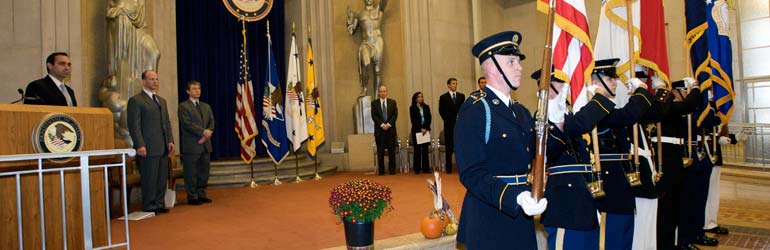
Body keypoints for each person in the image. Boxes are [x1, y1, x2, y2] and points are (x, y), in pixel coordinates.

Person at [455, 31, 547, 249]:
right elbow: (472, 173)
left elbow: (542, 153)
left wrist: (558, 119)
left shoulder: (521, 112)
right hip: (490, 219)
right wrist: (514, 197)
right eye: (511, 61)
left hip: (521, 219)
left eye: (518, 61)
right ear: (492, 67)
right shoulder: (477, 109)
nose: (520, 67)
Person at [534, 67, 615, 250]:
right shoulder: (543, 117)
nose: (565, 88)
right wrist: (599, 98)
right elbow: (579, 125)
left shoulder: (566, 114)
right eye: (559, 85)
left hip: (584, 197)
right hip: (566, 203)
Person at [591, 58, 654, 250]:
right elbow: (629, 115)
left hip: (622, 182)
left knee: (625, 237)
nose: (615, 82)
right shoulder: (595, 110)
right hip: (610, 186)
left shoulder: (608, 109)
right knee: (612, 239)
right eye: (610, 79)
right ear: (595, 81)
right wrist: (641, 90)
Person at [653, 78, 701, 250]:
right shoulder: (667, 107)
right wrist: (696, 88)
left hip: (674, 158)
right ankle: (664, 244)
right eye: (684, 92)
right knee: (667, 208)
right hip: (666, 160)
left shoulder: (671, 108)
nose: (686, 96)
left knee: (676, 206)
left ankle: (672, 242)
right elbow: (689, 105)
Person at [127, 70, 175, 214]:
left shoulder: (162, 101)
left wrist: (170, 140)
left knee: (161, 178)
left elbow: (166, 122)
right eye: (151, 79)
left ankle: (159, 203)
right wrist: (139, 144)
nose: (155, 82)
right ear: (144, 81)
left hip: (162, 146)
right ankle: (149, 205)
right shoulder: (136, 100)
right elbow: (134, 125)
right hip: (147, 146)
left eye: (156, 79)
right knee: (149, 177)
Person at [178, 80, 215, 206]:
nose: (197, 91)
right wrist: (203, 132)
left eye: (198, 88)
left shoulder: (206, 106)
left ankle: (202, 194)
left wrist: (206, 134)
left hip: (205, 145)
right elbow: (187, 124)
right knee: (191, 173)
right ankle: (192, 196)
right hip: (192, 145)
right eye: (194, 89)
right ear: (188, 91)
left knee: (204, 172)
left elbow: (212, 122)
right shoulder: (183, 106)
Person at [347, 0, 388, 96]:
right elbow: (351, 30)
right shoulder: (360, 14)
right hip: (366, 43)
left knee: (377, 71)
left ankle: (377, 97)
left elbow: (384, 2)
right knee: (366, 62)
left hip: (378, 41)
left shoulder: (379, 10)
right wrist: (350, 19)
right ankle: (364, 88)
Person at [438, 78, 464, 173]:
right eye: (453, 83)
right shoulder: (443, 97)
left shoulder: (461, 96)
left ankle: (460, 167)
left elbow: (463, 110)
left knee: (459, 147)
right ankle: (448, 168)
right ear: (448, 85)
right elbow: (441, 111)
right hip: (448, 125)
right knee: (449, 147)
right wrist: (448, 120)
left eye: (456, 83)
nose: (455, 85)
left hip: (459, 126)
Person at [371, 85, 398, 175]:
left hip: (390, 131)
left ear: (387, 92)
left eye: (384, 91)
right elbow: (374, 116)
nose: (383, 93)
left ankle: (392, 170)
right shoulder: (374, 103)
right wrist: (382, 125)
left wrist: (388, 124)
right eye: (381, 91)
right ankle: (381, 170)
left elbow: (395, 115)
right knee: (380, 151)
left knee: (391, 151)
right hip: (379, 131)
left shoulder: (392, 102)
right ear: (379, 93)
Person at [410, 91, 432, 174]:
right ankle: (417, 168)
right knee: (417, 150)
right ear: (415, 99)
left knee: (425, 150)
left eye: (421, 96)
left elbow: (429, 118)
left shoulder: (426, 107)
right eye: (419, 97)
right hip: (417, 131)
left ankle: (426, 168)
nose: (421, 98)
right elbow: (413, 120)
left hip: (425, 131)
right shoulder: (412, 108)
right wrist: (420, 129)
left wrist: (425, 128)